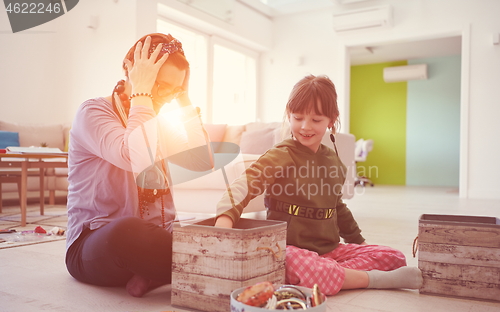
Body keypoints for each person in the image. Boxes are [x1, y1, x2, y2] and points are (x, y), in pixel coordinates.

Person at [215, 75, 422, 295]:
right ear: (289, 115)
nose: (305, 127)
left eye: (316, 120)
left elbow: (338, 207)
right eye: (298, 118)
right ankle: (369, 280)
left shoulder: (333, 161)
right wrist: (224, 224)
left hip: (330, 252)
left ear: (331, 120)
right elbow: (245, 184)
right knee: (295, 263)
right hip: (290, 250)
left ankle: (332, 276)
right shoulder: (281, 154)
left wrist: (358, 243)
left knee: (393, 257)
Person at [65, 33, 213, 297]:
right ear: (129, 68)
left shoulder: (157, 123)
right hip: (98, 245)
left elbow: (201, 161)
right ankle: (194, 265)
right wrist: (142, 93)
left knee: (219, 224)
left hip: (155, 241)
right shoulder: (92, 112)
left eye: (171, 88)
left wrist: (184, 100)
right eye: (156, 82)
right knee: (128, 231)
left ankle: (155, 271)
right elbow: (134, 158)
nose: (163, 95)